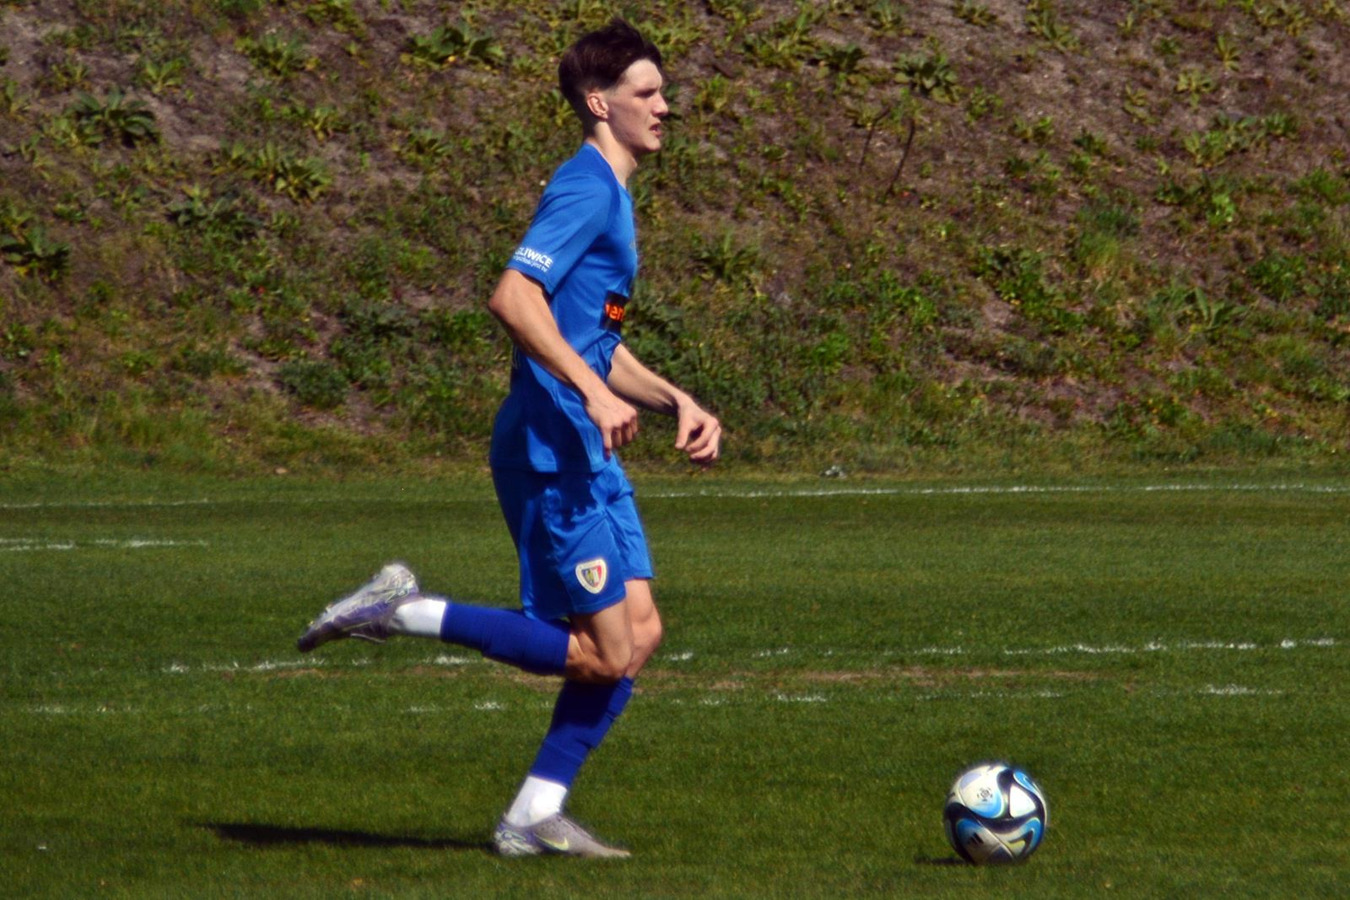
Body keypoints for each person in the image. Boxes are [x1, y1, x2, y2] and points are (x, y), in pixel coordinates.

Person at [296, 18, 721, 860]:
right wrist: (593, 394)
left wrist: (673, 397)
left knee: (639, 636)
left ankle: (533, 815)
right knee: (602, 654)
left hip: (586, 450)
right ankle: (400, 611)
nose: (664, 107)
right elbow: (513, 297)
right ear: (598, 102)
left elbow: (591, 339)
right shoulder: (586, 188)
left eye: (663, 92)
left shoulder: (614, 193)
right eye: (647, 93)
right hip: (549, 450)